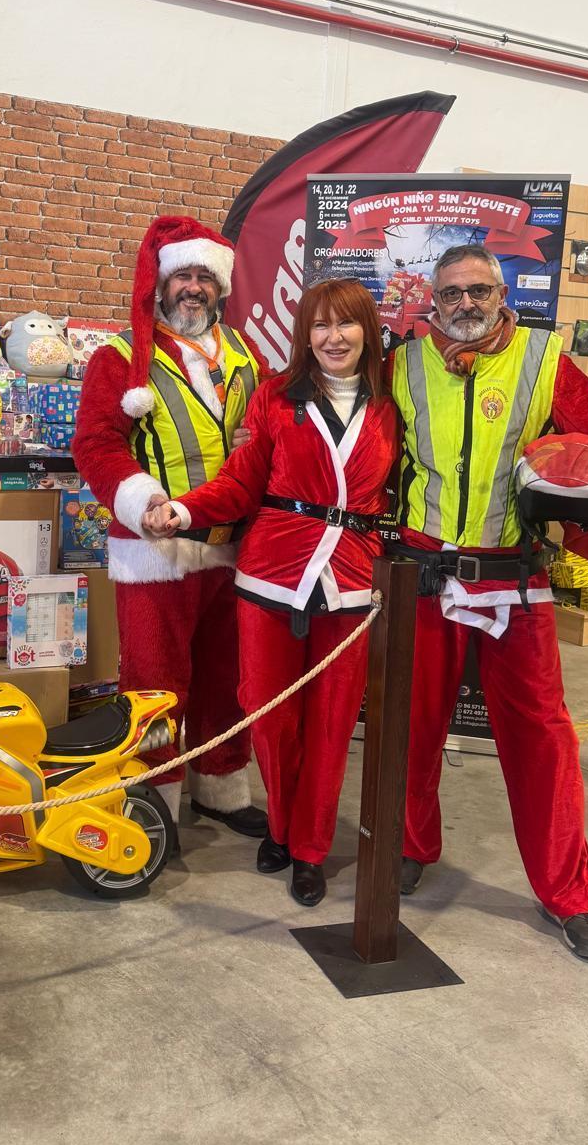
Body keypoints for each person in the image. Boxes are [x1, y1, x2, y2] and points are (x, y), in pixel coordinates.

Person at [390, 243, 588, 961]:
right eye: (451, 294)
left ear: (502, 291)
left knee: (542, 739)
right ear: (434, 301)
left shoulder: (545, 360)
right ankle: (411, 847)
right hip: (425, 574)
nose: (466, 305)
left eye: (479, 290)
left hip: (516, 577)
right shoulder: (402, 363)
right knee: (412, 728)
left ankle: (568, 895)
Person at [142, 280, 400, 905]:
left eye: (345, 325)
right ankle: (282, 828)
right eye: (319, 326)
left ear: (367, 331)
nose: (331, 338)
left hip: (351, 581)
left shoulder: (393, 407)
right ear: (303, 335)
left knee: (333, 722)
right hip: (269, 576)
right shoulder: (275, 398)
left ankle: (309, 849)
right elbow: (240, 482)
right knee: (268, 711)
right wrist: (181, 509)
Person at [72, 216, 267, 838]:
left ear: (220, 288)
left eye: (204, 278)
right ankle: (152, 797)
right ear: (159, 284)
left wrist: (255, 438)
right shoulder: (121, 357)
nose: (193, 288)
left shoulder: (248, 357)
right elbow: (97, 445)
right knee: (154, 685)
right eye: (181, 275)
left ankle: (221, 784)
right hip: (154, 549)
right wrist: (142, 501)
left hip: (232, 547)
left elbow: (265, 437)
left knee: (225, 676)